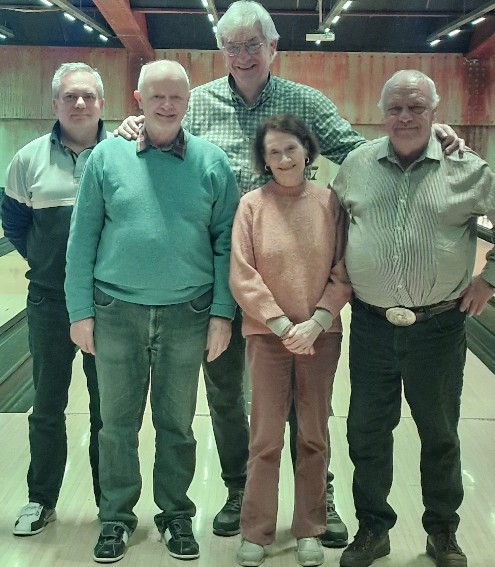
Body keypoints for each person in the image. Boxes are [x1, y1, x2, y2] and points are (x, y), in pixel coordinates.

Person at [116, 0, 462, 546]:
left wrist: (428, 134)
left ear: (273, 47)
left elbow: (365, 154)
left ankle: (317, 496)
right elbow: (158, 139)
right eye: (232, 46)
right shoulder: (196, 104)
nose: (243, 55)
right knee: (227, 395)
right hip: (225, 276)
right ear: (222, 50)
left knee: (309, 403)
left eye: (253, 44)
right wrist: (132, 123)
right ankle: (240, 490)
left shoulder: (306, 102)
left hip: (299, 283)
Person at [64, 60, 239, 564]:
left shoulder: (211, 162)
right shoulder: (106, 156)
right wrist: (80, 311)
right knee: (116, 425)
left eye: (176, 97)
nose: (167, 105)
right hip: (115, 311)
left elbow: (226, 245)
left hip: (189, 312)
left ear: (188, 101)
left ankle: (176, 514)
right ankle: (116, 518)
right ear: (139, 99)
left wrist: (222, 314)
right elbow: (82, 239)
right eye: (157, 96)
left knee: (177, 425)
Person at [333, 69, 495, 567]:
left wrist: (489, 280)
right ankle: (373, 529)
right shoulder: (356, 165)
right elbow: (335, 227)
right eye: (396, 108)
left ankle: (442, 533)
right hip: (371, 326)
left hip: (439, 329)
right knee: (366, 431)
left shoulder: (467, 168)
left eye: (416, 107)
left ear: (434, 111)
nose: (405, 117)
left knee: (440, 434)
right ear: (382, 113)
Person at [229, 113, 351, 567]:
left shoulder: (329, 203)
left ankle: (309, 529)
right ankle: (256, 532)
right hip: (268, 338)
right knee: (265, 438)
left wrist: (318, 320)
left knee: (313, 436)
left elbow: (343, 269)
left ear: (307, 150)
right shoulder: (251, 205)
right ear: (264, 159)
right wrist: (281, 324)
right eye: (274, 152)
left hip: (320, 336)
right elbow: (242, 274)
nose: (283, 158)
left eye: (291, 149)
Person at [1, 62, 106, 536]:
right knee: (46, 407)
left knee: (108, 412)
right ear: (54, 103)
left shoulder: (123, 153)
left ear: (101, 102)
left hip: (107, 305)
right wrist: (46, 263)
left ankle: (111, 506)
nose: (78, 103)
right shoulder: (27, 160)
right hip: (48, 303)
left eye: (87, 95)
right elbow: (14, 223)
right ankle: (41, 500)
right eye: (69, 96)